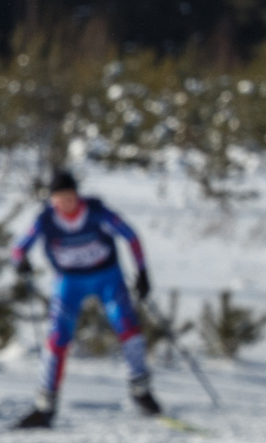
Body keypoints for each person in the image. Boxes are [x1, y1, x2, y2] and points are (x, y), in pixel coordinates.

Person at [11, 169, 158, 428]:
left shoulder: (97, 213)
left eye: (69, 197)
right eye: (59, 198)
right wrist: (20, 262)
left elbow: (131, 236)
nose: (65, 203)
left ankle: (141, 390)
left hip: (107, 278)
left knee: (127, 327)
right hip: (69, 282)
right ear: (52, 199)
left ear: (77, 195)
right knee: (57, 338)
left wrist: (142, 272)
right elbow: (18, 247)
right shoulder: (45, 220)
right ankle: (45, 407)